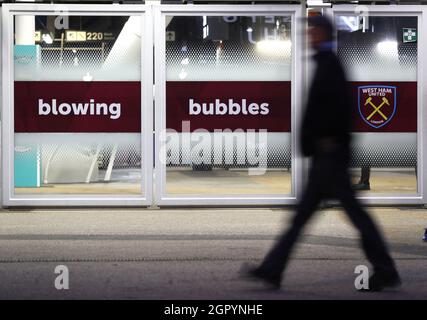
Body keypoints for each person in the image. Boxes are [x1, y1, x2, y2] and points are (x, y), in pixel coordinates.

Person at [242, 15, 400, 292]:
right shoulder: (324, 63)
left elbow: (339, 108)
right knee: (304, 218)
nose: (307, 35)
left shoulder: (330, 65)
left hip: (331, 157)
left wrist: (327, 140)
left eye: (312, 30)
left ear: (324, 33)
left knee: (350, 217)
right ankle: (272, 269)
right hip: (325, 156)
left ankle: (385, 270)